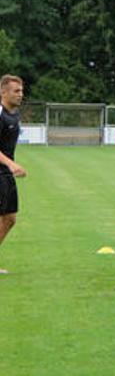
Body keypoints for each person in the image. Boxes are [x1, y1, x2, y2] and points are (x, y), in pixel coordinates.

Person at [0, 75, 26, 275]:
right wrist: (11, 164)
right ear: (3, 92)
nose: (20, 94)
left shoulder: (14, 114)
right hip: (3, 170)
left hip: (5, 173)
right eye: (16, 91)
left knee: (9, 219)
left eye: (21, 91)